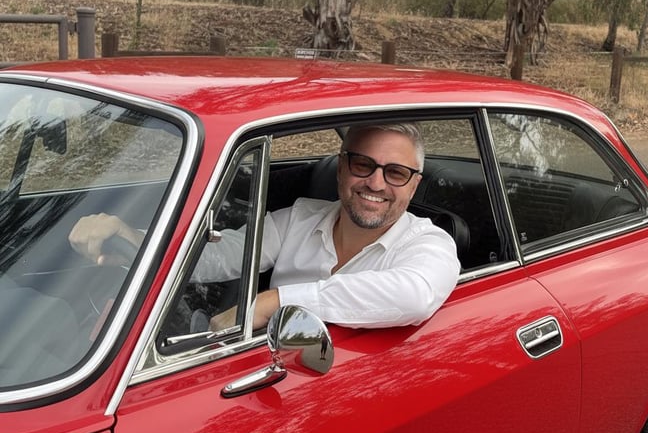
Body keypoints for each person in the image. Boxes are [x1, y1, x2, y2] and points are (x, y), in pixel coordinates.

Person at [69, 123, 461, 331]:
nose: (375, 183)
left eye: (395, 172)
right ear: (342, 167)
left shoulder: (429, 243)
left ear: (414, 182)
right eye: (362, 165)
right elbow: (220, 256)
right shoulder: (301, 217)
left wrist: (271, 302)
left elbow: (414, 297)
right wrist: (133, 239)